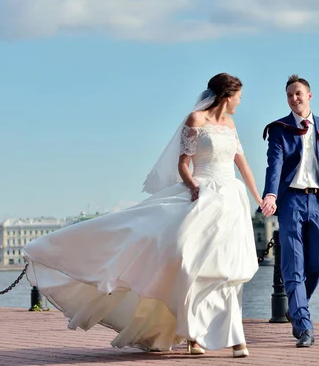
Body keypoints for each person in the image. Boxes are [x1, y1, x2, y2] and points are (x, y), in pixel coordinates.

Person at [23, 73, 261, 358]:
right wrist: (193, 186)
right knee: (187, 262)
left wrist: (259, 198)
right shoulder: (195, 120)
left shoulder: (231, 125)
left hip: (231, 201)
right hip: (202, 195)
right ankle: (192, 334)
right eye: (239, 97)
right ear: (227, 95)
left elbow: (242, 165)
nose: (240, 102)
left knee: (229, 270)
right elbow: (183, 164)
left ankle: (234, 339)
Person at [260, 74, 319, 348]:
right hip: (291, 202)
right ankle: (305, 326)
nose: (294, 98)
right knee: (293, 265)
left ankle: (296, 308)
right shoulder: (279, 129)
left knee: (317, 267)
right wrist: (270, 195)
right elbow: (274, 164)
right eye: (289, 95)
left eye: (298, 93)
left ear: (309, 95)